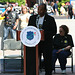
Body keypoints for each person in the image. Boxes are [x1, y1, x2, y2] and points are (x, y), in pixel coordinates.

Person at [27, 3, 57, 75]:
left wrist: (43, 34)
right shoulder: (33, 18)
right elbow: (29, 28)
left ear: (45, 10)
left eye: (41, 9)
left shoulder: (50, 19)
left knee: (47, 60)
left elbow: (54, 31)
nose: (39, 11)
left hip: (46, 43)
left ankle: (48, 73)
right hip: (35, 43)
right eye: (38, 9)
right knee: (35, 59)